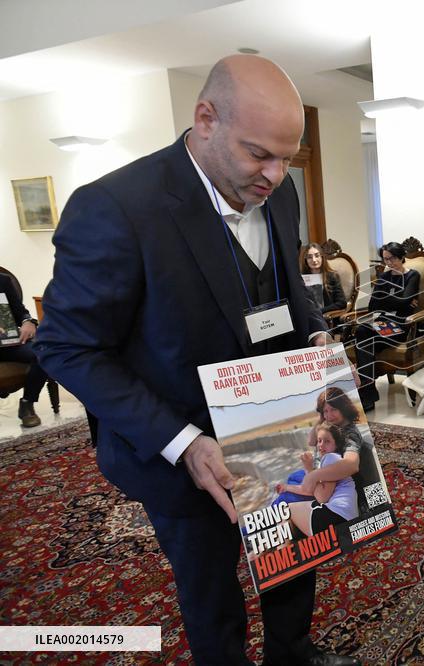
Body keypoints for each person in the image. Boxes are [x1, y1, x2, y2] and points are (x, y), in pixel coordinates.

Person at [34, 55, 359, 666]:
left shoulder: (279, 191)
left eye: (288, 157)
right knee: (209, 588)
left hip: (283, 423)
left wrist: (316, 339)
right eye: (259, 154)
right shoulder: (116, 206)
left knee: (294, 553)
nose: (276, 174)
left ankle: (292, 654)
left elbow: (290, 294)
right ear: (205, 118)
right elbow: (66, 346)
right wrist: (182, 441)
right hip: (186, 451)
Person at [353, 240, 420, 412]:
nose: (388, 263)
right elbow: (372, 305)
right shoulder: (384, 277)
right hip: (380, 324)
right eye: (385, 259)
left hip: (399, 326)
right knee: (362, 333)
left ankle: (367, 395)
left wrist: (386, 300)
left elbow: (403, 302)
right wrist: (400, 302)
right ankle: (367, 393)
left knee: (363, 337)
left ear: (401, 257)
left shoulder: (412, 276)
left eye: (391, 259)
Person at [284, 423, 359, 538]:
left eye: (327, 441)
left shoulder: (331, 458)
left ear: (336, 445)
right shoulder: (333, 461)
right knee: (290, 519)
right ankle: (260, 552)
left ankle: (279, 552)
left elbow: (322, 497)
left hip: (337, 518)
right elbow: (311, 491)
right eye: (319, 441)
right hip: (344, 517)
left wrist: (309, 468)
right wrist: (286, 487)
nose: (321, 445)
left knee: (285, 511)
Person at [0, 270, 47, 427]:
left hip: (8, 343)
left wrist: (28, 322)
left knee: (43, 352)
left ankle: (27, 403)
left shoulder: (3, 281)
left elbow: (21, 313)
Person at [299, 242, 347, 325]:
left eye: (317, 255)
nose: (314, 260)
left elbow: (342, 303)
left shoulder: (332, 276)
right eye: (309, 257)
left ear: (322, 257)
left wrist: (320, 311)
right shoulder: (301, 279)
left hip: (326, 319)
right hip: (307, 319)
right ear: (305, 260)